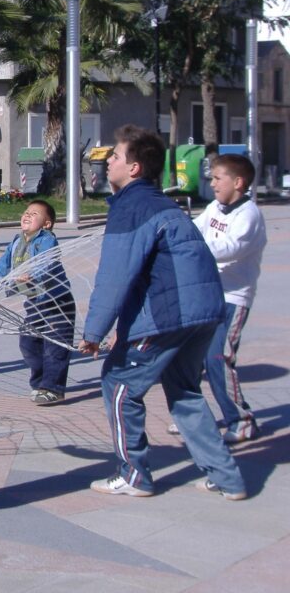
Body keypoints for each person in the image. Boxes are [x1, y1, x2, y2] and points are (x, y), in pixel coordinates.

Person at [78, 125, 246, 500]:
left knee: (118, 384)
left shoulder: (132, 207)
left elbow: (116, 275)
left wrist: (93, 331)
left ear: (134, 168)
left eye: (116, 157)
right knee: (184, 392)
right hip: (203, 313)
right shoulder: (162, 203)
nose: (109, 164)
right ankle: (228, 478)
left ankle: (135, 475)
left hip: (171, 313)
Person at [187, 153, 266, 443]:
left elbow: (229, 249)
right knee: (190, 357)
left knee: (218, 359)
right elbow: (195, 228)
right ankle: (194, 417)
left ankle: (242, 420)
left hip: (233, 298)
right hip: (206, 292)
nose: (213, 183)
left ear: (238, 182)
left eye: (218, 178)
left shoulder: (249, 215)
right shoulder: (215, 207)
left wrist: (192, 246)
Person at [0, 200, 75, 405]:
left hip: (57, 303)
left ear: (46, 224)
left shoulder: (47, 240)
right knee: (28, 342)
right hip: (35, 303)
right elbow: (2, 266)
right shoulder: (16, 242)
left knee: (55, 346)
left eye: (34, 214)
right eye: (26, 212)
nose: (27, 215)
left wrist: (32, 274)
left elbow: (47, 261)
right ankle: (40, 383)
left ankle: (53, 387)